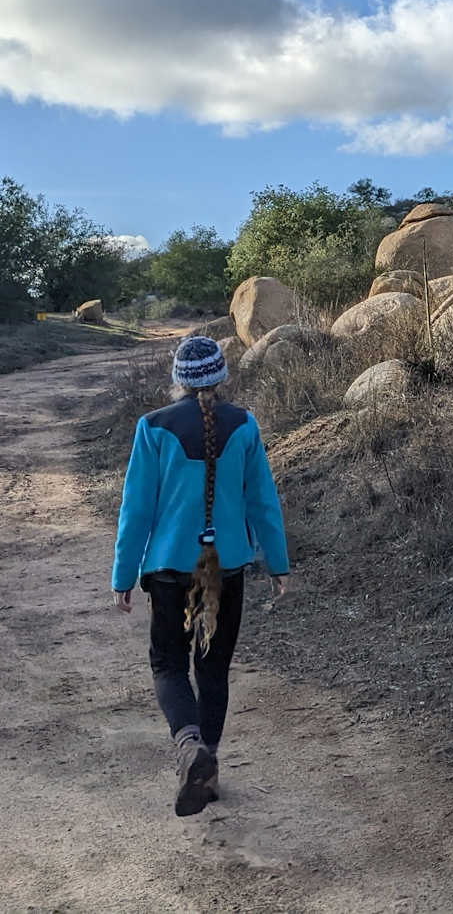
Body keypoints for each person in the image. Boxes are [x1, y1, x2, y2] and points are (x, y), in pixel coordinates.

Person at [111, 335, 290, 816]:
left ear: (178, 379)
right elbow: (262, 502)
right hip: (226, 566)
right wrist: (278, 562)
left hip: (170, 570)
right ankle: (207, 766)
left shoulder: (152, 427)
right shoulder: (245, 425)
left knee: (169, 664)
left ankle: (190, 746)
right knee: (212, 668)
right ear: (221, 375)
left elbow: (136, 511)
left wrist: (123, 574)